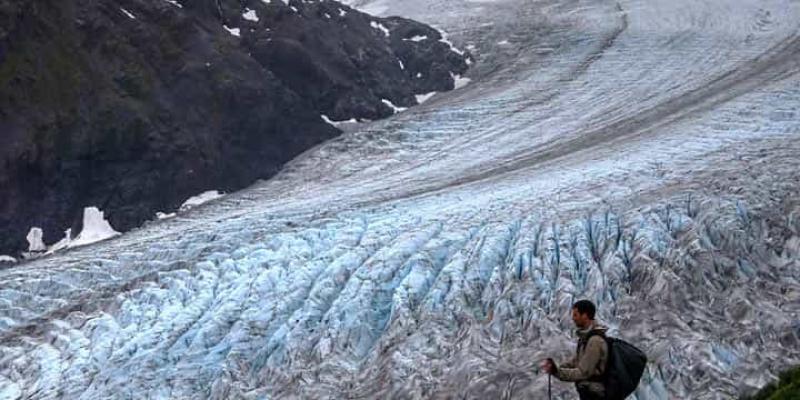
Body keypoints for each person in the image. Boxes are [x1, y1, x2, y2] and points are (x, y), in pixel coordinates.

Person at [542, 300, 608, 400]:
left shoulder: (595, 341)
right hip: (589, 393)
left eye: (576, 315)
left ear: (585, 315)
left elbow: (583, 373)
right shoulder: (586, 338)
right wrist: (557, 367)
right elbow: (576, 361)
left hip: (595, 395)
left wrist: (558, 372)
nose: (573, 318)